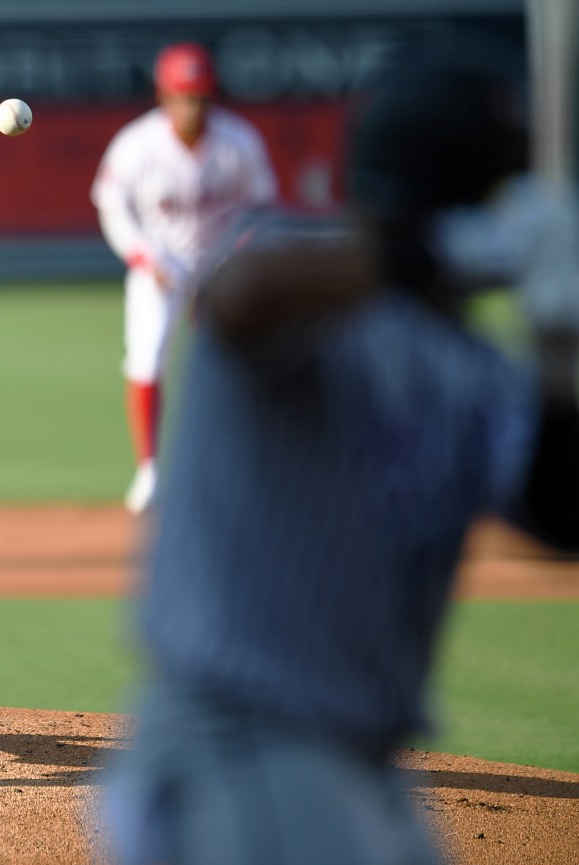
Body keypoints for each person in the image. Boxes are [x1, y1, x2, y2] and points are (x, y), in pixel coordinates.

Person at [99, 43, 579, 865]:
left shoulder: (472, 373)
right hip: (235, 745)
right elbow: (239, 296)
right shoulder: (284, 270)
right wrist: (432, 252)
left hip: (363, 766)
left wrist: (561, 345)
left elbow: (562, 509)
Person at [91, 42, 277, 514]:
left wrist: (239, 255)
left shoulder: (239, 141)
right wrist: (142, 255)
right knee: (147, 358)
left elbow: (260, 208)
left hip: (221, 262)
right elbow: (112, 206)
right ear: (164, 95)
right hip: (161, 263)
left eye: (199, 96)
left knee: (232, 365)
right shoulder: (137, 145)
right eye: (183, 95)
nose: (192, 106)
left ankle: (232, 466)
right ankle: (149, 472)